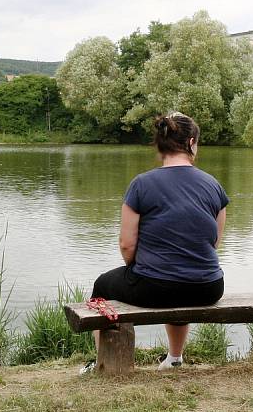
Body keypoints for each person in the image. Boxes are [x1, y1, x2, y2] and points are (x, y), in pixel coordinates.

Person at [82, 111, 228, 373]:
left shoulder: (142, 184)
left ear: (159, 145)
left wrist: (135, 268)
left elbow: (127, 245)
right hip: (209, 287)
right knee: (179, 280)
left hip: (155, 287)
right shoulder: (213, 185)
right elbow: (213, 241)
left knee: (102, 286)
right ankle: (174, 358)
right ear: (192, 142)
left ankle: (103, 362)